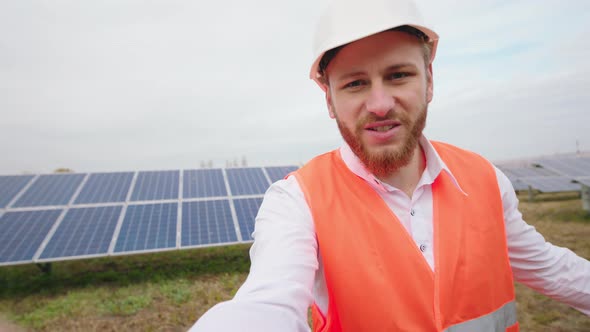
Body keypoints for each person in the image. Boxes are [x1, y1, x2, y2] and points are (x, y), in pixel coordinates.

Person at [190, 0, 590, 330]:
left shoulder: (484, 178)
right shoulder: (297, 202)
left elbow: (551, 268)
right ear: (329, 100)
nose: (379, 104)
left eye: (398, 75)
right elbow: (266, 304)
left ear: (429, 80)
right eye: (355, 83)